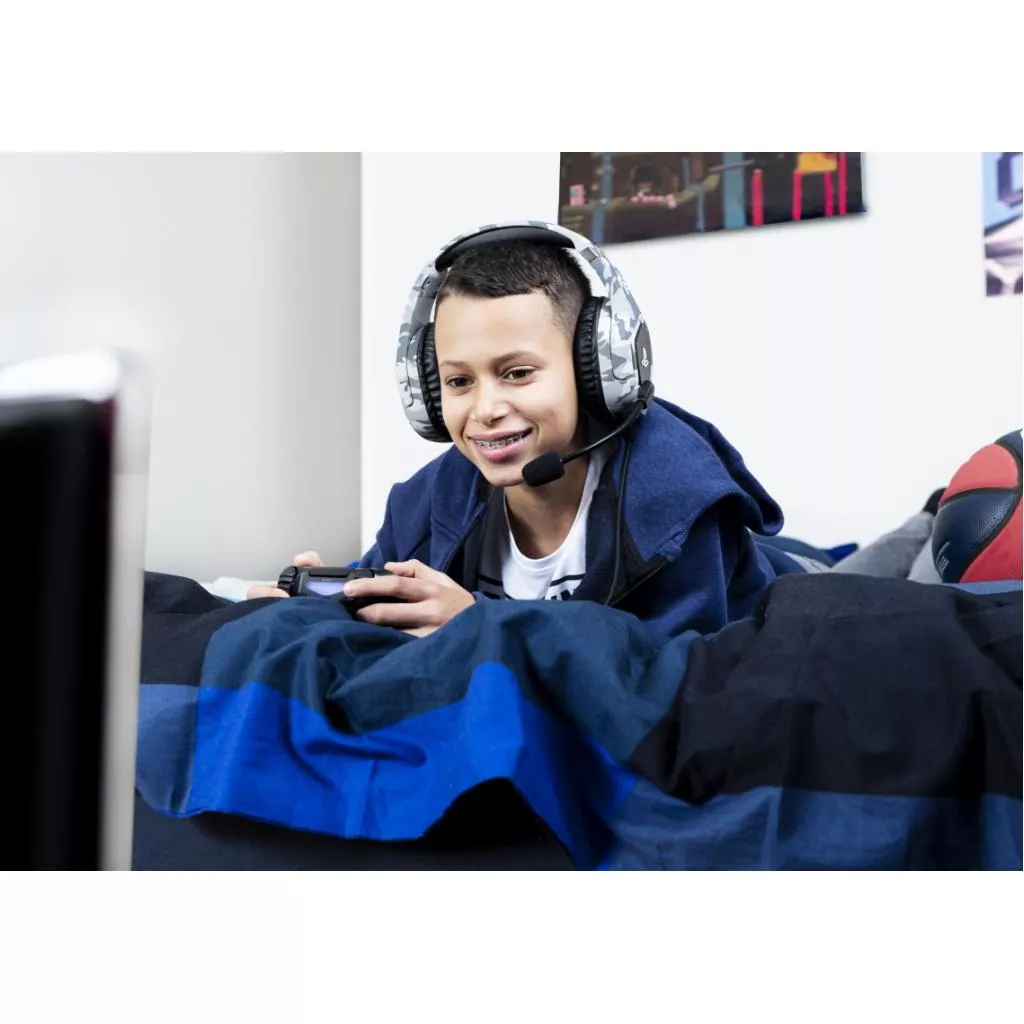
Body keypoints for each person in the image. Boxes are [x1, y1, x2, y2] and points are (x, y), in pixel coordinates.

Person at [245, 222, 812, 642]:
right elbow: (388, 604)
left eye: (517, 373)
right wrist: (317, 608)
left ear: (595, 371)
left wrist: (481, 623)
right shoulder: (427, 502)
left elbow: (675, 670)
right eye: (458, 381)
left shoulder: (677, 499)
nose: (486, 409)